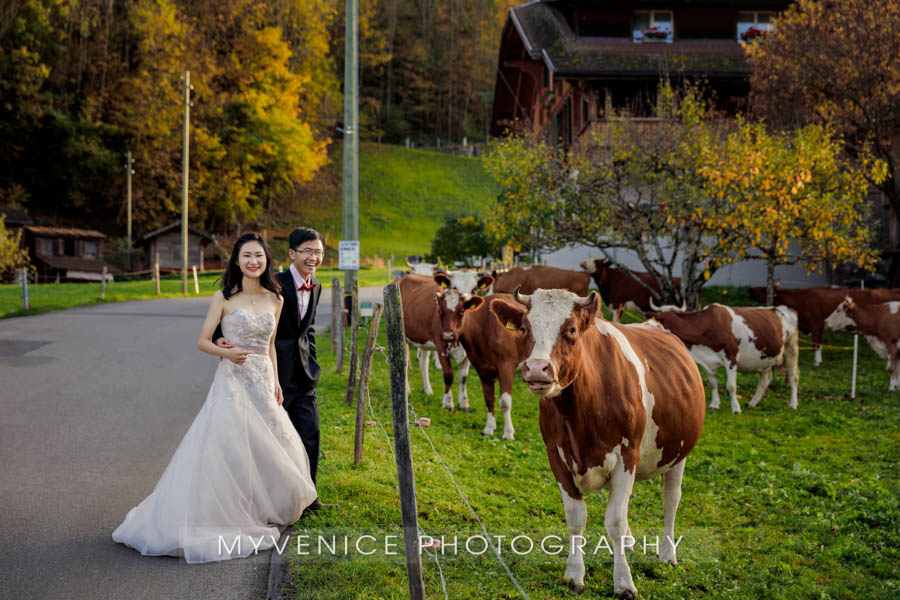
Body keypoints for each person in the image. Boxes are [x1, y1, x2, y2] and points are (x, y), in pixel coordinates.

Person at [112, 233, 317, 563]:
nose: (253, 261)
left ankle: (261, 506)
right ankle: (227, 508)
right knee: (230, 443)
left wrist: (276, 381)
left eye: (259, 256)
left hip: (263, 378)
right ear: (237, 261)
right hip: (232, 379)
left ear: (266, 261)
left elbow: (270, 345)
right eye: (247, 256)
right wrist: (229, 352)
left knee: (267, 442)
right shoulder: (223, 297)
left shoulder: (275, 298)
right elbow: (203, 341)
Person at [216, 227, 325, 512]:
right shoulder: (274, 284)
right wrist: (220, 340)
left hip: (303, 375)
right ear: (292, 254)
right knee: (271, 440)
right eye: (307, 251)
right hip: (269, 375)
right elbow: (228, 319)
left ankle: (308, 495)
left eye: (318, 252)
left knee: (309, 433)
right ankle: (268, 498)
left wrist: (312, 362)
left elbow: (307, 329)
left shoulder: (318, 286)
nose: (313, 257)